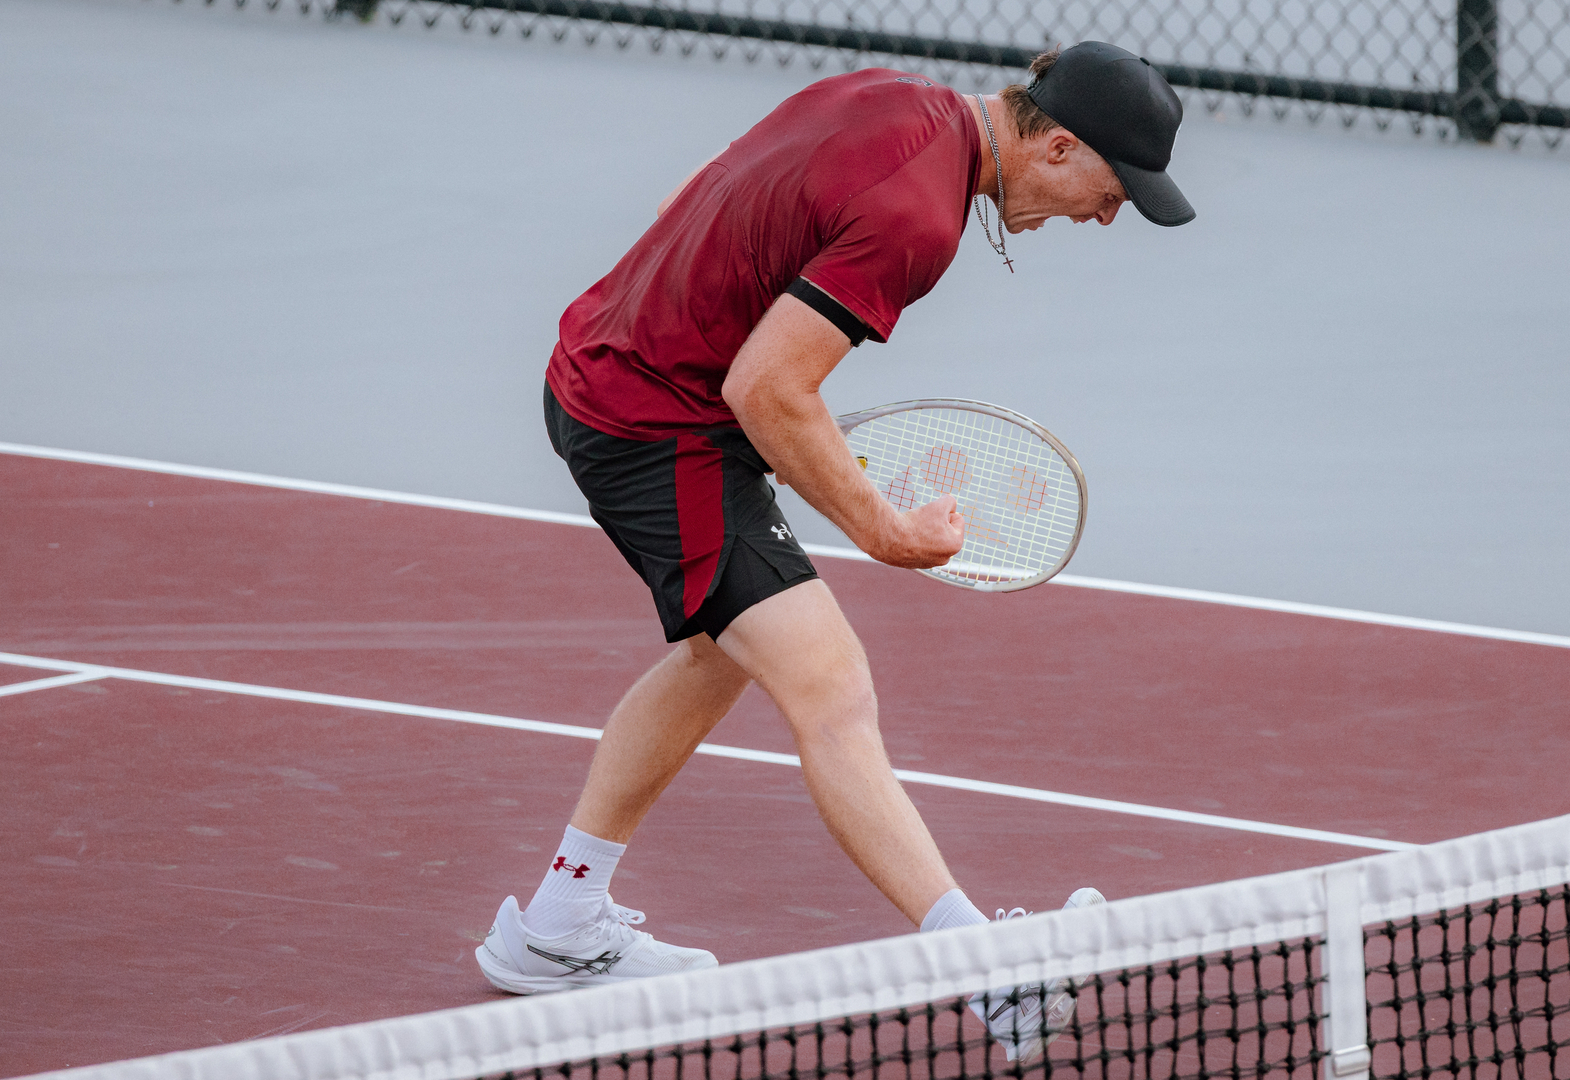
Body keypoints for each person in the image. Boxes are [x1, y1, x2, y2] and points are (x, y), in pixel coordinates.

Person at [476, 40, 1195, 1058]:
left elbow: (717, 180)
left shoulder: (894, 99)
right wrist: (885, 531)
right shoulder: (920, 221)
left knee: (721, 651)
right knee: (832, 687)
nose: (1105, 216)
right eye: (1114, 192)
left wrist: (680, 307)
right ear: (1059, 147)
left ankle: (555, 923)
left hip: (623, 365)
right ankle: (990, 977)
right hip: (651, 423)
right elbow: (769, 390)